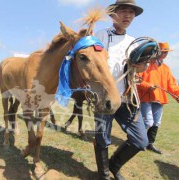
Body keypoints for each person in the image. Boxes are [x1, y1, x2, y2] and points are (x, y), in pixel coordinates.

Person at [93, 1, 148, 179]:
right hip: (105, 98)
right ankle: (104, 174)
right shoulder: (99, 36)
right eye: (123, 11)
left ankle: (113, 166)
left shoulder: (133, 42)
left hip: (127, 99)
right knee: (102, 138)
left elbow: (139, 68)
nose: (128, 16)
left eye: (131, 13)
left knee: (140, 141)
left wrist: (141, 67)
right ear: (112, 15)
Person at [137, 42, 179, 154]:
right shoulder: (145, 64)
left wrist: (178, 96)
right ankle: (135, 139)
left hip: (160, 99)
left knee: (156, 123)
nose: (164, 54)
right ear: (156, 51)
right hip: (146, 98)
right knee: (148, 122)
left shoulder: (166, 68)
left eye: (166, 52)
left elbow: (172, 85)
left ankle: (150, 144)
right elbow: (136, 79)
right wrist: (147, 85)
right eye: (162, 52)